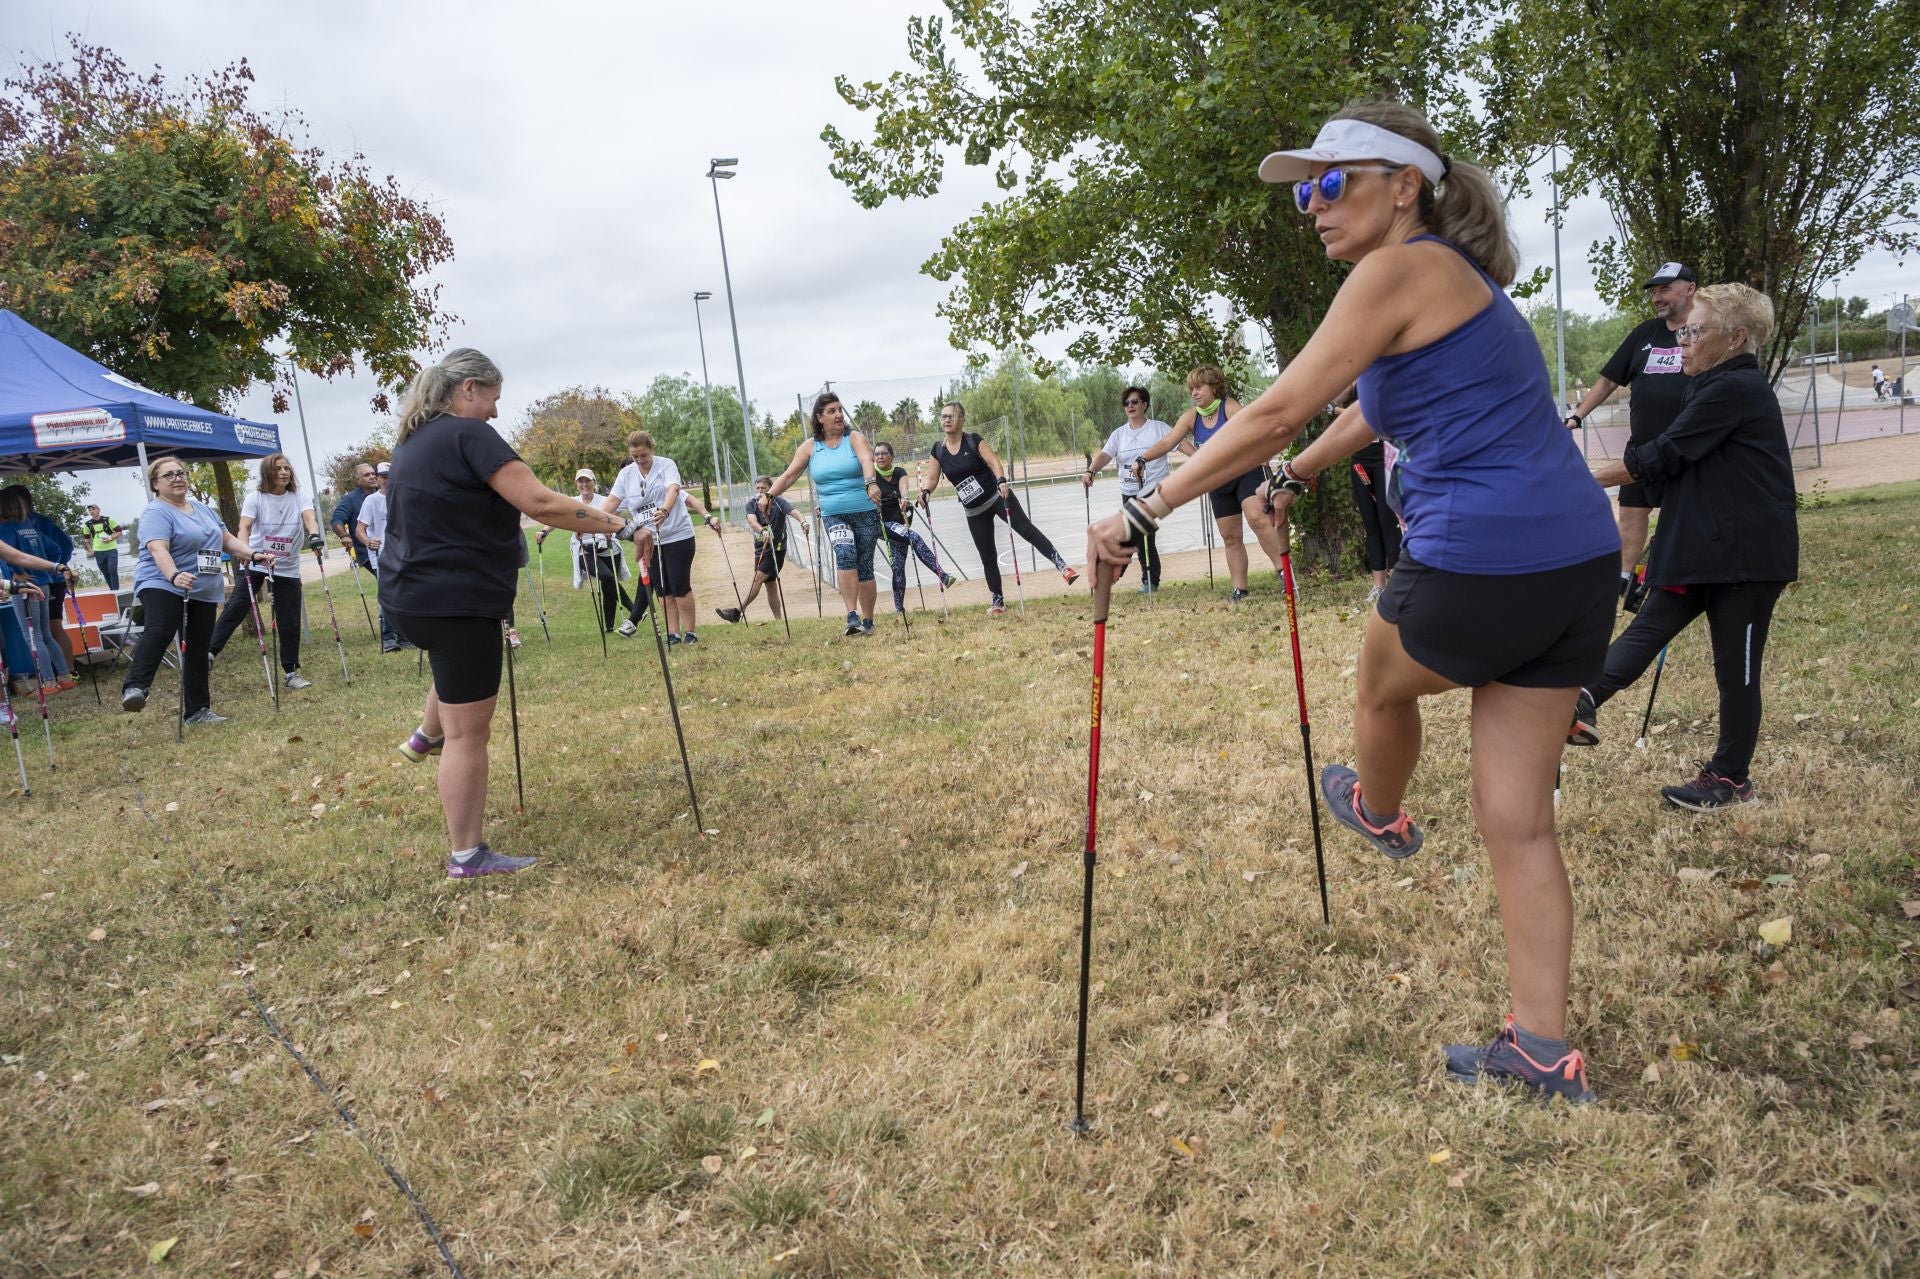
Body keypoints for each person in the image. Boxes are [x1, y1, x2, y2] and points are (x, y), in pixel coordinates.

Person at [1089, 100, 1619, 1103]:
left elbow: (1280, 403)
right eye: (1304, 190)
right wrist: (1292, 477)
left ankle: (1378, 812)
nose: (1313, 206)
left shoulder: (1397, 268)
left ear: (1404, 186)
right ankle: (1545, 1053)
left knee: (1381, 684)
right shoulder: (1454, 286)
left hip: (1482, 555)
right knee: (1518, 819)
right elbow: (1361, 416)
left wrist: (1147, 509)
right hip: (1576, 564)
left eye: (1333, 183)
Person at [381, 348, 629, 879]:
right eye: (492, 399)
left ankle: (425, 735)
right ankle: (467, 855)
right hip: (456, 602)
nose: (495, 412)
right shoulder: (470, 435)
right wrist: (618, 526)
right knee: (469, 733)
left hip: (409, 597)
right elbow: (539, 503)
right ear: (468, 389)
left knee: (453, 677)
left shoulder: (412, 440)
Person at [1572, 284, 1796, 811]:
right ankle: (1579, 700)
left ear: (1736, 337)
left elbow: (1663, 455)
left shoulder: (1735, 388)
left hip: (1745, 555)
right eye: (1683, 333)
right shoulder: (1707, 385)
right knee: (1649, 626)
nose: (1684, 343)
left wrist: (1577, 480)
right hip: (1700, 543)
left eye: (1695, 332)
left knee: (1735, 669)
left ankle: (1731, 778)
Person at [1565, 262, 1697, 598]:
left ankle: (1677, 579)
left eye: (1665, 289)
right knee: (1631, 514)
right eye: (1654, 291)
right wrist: (1576, 417)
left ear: (1690, 289)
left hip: (1686, 450)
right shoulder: (1645, 334)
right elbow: (1609, 380)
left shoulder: (1704, 332)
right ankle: (1624, 578)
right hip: (1642, 448)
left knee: (1682, 520)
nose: (1657, 297)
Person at [122, 455, 275, 722]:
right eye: (168, 475)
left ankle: (197, 711)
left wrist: (253, 554)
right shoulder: (156, 511)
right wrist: (173, 575)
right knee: (161, 628)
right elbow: (157, 548)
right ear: (155, 484)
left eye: (181, 473)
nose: (177, 478)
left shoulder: (203, 509)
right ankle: (136, 687)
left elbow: (226, 540)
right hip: (162, 583)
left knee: (197, 647)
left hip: (202, 587)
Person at [1132, 366, 1290, 601]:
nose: (1194, 393)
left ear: (1214, 387)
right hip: (1217, 481)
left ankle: (1285, 575)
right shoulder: (1191, 417)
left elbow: (1256, 427)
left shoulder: (1229, 407)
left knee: (1257, 518)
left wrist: (1264, 449)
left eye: (1199, 387)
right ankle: (1240, 589)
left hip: (1245, 472)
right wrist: (1143, 458)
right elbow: (1167, 442)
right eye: (1191, 389)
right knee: (1230, 537)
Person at [920, 401, 1078, 616]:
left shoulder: (973, 440)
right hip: (973, 509)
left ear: (962, 419)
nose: (946, 419)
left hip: (996, 496)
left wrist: (1001, 480)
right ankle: (998, 601)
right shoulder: (938, 450)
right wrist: (926, 492)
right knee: (987, 554)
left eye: (951, 415)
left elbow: (994, 462)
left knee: (1026, 529)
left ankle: (1063, 567)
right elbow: (931, 478)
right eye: (943, 416)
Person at [764, 393, 887, 636]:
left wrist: (870, 482)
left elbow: (866, 460)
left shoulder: (855, 438)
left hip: (864, 510)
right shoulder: (811, 447)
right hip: (834, 514)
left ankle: (869, 621)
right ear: (820, 418)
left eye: (840, 409)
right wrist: (768, 496)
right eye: (831, 411)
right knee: (845, 553)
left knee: (864, 566)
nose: (839, 415)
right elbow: (789, 475)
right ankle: (852, 616)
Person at [208, 452, 324, 688]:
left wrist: (314, 535)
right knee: (238, 605)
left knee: (289, 618)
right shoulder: (255, 497)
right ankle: (209, 652)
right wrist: (243, 550)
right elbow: (244, 527)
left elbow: (309, 517)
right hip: (259, 558)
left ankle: (291, 673)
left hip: (287, 564)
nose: (283, 472)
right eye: (278, 468)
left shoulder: (298, 496)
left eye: (286, 469)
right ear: (267, 473)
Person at [603, 431, 719, 646]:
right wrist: (593, 523)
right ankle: (673, 634)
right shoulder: (626, 474)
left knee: (679, 584)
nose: (639, 460)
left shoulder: (666, 465)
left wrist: (664, 510)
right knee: (662, 590)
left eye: (643, 455)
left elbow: (674, 489)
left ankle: (690, 632)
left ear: (651, 449)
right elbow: (611, 502)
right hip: (649, 540)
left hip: (677, 535)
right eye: (635, 456)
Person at [1084, 387, 1173, 594]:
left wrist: (1202, 459)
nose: (1130, 406)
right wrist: (1091, 471)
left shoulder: (1158, 428)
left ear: (1145, 404)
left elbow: (1178, 443)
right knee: (1134, 533)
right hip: (1129, 491)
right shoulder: (1119, 434)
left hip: (1153, 489)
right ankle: (1121, 573)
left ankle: (1144, 579)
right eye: (1126, 403)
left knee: (1141, 532)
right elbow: (1104, 456)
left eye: (1134, 402)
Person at [0, 487, 77, 693]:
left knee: (32, 636)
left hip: (25, 587)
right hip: (44, 582)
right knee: (46, 634)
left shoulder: (5, 529)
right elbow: (55, 549)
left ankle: (49, 683)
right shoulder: (30, 526)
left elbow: (10, 556)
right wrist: (54, 566)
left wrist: (18, 571)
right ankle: (65, 677)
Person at [537, 469, 628, 633]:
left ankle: (608, 627)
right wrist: (544, 532)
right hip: (582, 548)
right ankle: (634, 607)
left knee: (608, 584)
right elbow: (558, 519)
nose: (584, 484)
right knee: (606, 576)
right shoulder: (572, 502)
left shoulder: (605, 500)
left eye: (588, 481)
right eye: (581, 481)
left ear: (594, 483)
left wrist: (610, 529)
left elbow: (616, 516)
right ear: (577, 484)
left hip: (605, 545)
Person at [873, 441, 953, 613]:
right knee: (914, 537)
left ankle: (899, 608)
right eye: (876, 453)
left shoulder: (899, 472)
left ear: (892, 456)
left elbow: (903, 488)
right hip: (882, 524)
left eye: (883, 453)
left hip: (899, 525)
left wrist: (904, 498)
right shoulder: (871, 474)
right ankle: (943, 575)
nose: (879, 456)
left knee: (898, 567)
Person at [716, 476, 792, 624]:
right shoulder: (752, 504)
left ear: (770, 489)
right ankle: (779, 621)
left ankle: (737, 612)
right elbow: (751, 520)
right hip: (760, 549)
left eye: (763, 488)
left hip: (775, 549)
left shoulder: (778, 502)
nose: (760, 491)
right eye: (757, 488)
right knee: (770, 585)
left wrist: (802, 521)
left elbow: (793, 511)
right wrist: (762, 531)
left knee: (757, 578)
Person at [354, 461, 411, 651]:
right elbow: (360, 529)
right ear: (378, 479)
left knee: (404, 595)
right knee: (388, 596)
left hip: (404, 554)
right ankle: (388, 638)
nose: (387, 480)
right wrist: (368, 542)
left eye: (390, 476)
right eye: (384, 476)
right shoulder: (371, 501)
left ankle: (404, 636)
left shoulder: (402, 497)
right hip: (381, 555)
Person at [1351, 433, 1401, 602]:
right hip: (1359, 459)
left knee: (1388, 522)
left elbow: (1367, 419)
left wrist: (1335, 410)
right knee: (1370, 524)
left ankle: (1396, 586)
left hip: (1384, 457)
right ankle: (1379, 586)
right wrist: (1332, 406)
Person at [330, 460, 380, 569]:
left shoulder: (385, 493)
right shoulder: (350, 500)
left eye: (373, 474)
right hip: (367, 553)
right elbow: (337, 519)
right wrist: (344, 536)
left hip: (390, 548)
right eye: (367, 475)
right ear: (358, 480)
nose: (372, 477)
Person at [83, 504, 122, 590]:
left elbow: (119, 531)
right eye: (90, 510)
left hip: (111, 549)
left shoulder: (108, 520)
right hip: (98, 551)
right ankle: (113, 591)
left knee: (113, 571)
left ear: (98, 510)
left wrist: (110, 538)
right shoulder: (87, 524)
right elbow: (86, 539)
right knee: (106, 573)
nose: (91, 511)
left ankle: (115, 591)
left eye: (93, 509)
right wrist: (90, 549)